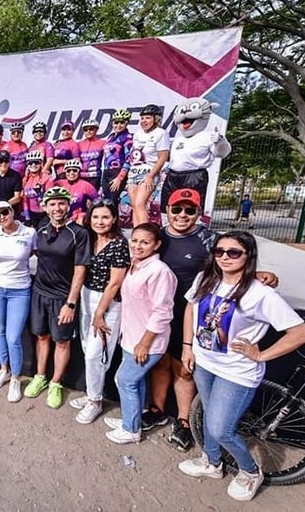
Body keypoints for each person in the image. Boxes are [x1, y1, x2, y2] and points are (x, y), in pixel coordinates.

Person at [178, 231, 305, 501]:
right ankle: (212, 462)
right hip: (205, 363)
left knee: (220, 429)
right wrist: (187, 347)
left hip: (237, 372)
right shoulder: (205, 279)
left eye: (234, 252)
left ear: (248, 255)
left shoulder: (260, 294)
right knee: (207, 415)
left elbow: (301, 333)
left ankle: (250, 471)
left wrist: (262, 355)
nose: (225, 257)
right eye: (220, 251)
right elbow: (191, 308)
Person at [147, 189, 279, 452]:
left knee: (184, 371)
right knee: (159, 363)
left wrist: (259, 275)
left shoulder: (210, 239)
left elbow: (233, 262)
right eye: (177, 209)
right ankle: (157, 409)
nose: (182, 215)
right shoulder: (158, 237)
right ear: (168, 211)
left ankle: (183, 422)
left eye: (190, 210)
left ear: (199, 213)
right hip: (160, 314)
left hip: (194, 316)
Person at [103, 223, 176, 444]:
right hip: (131, 336)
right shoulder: (135, 264)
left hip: (147, 341)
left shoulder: (159, 272)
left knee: (125, 380)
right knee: (136, 380)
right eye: (134, 240)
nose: (137, 246)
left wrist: (144, 343)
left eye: (145, 242)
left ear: (157, 245)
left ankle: (131, 430)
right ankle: (132, 417)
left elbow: (162, 312)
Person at [24, 187, 90, 409]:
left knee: (61, 342)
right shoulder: (41, 227)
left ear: (68, 205)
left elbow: (80, 271)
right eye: (52, 204)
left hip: (63, 297)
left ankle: (56, 383)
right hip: (39, 292)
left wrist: (70, 303)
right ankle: (41, 376)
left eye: (61, 203)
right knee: (41, 336)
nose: (57, 208)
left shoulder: (78, 233)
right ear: (45, 206)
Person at [68, 200, 129, 424]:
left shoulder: (120, 244)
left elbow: (115, 283)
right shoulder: (89, 239)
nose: (100, 222)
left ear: (114, 219)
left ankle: (95, 401)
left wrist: (100, 312)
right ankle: (91, 392)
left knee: (97, 354)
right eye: (95, 217)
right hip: (86, 296)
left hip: (108, 303)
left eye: (105, 217)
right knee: (87, 349)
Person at [0, 201, 36, 403]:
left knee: (14, 337)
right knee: (0, 331)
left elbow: (36, 252)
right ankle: (4, 369)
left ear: (12, 211)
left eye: (4, 213)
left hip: (20, 290)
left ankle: (15, 378)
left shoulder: (29, 233)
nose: (1, 217)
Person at [127, 104, 170, 225]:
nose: (144, 121)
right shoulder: (138, 134)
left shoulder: (161, 133)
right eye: (142, 118)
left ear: (156, 119)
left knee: (140, 203)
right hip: (134, 172)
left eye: (148, 118)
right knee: (134, 205)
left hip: (148, 173)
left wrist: (151, 176)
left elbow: (163, 157)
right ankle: (136, 233)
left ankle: (145, 233)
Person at [102, 109, 133, 202]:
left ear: (126, 123)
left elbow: (129, 159)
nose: (118, 125)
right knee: (106, 201)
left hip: (117, 172)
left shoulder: (127, 137)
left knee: (112, 201)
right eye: (116, 122)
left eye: (122, 122)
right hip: (107, 172)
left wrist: (119, 178)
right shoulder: (111, 137)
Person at [53, 159, 98, 223]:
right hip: (61, 216)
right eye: (68, 171)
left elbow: (98, 201)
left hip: (78, 218)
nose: (71, 173)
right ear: (65, 172)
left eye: (75, 170)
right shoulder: (59, 183)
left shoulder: (87, 186)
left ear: (79, 172)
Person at [21, 150, 53, 228]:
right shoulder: (25, 179)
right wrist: (27, 218)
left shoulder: (47, 178)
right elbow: (25, 201)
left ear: (41, 163)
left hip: (45, 213)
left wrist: (40, 194)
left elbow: (51, 199)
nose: (33, 165)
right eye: (30, 163)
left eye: (36, 162)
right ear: (27, 165)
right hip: (32, 214)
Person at [77, 119, 106, 192]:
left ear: (96, 130)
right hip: (81, 177)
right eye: (86, 130)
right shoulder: (79, 144)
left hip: (95, 177)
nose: (88, 131)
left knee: (93, 201)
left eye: (91, 129)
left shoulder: (102, 143)